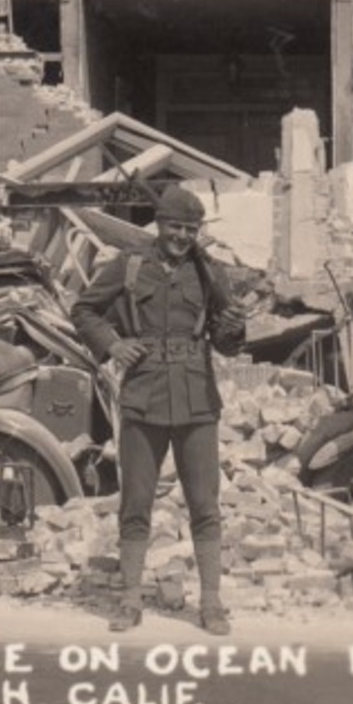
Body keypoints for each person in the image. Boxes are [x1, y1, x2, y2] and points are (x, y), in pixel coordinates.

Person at [70, 185, 247, 634]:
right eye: (174, 226)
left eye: (190, 229)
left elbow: (227, 344)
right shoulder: (129, 265)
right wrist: (113, 344)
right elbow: (84, 310)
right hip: (143, 398)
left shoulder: (209, 273)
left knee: (205, 505)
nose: (181, 236)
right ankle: (129, 600)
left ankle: (211, 604)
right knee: (136, 503)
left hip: (197, 401)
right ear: (159, 224)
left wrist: (234, 328)